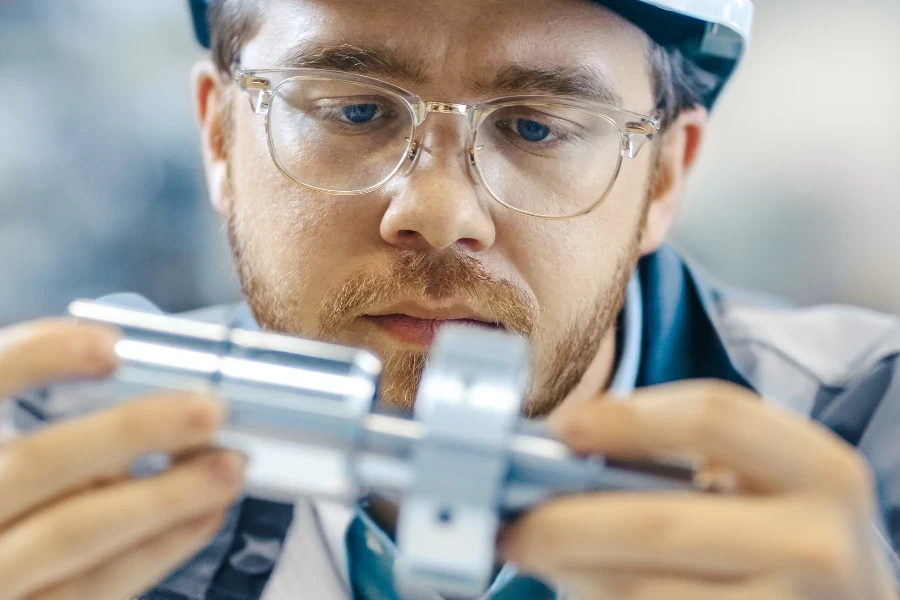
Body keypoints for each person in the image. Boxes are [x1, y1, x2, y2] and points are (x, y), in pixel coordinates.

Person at [1, 0, 899, 598]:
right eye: (353, 110)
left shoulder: (871, 430)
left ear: (666, 177)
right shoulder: (52, 468)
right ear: (220, 139)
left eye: (536, 126)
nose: (437, 212)